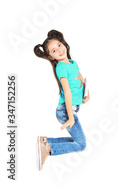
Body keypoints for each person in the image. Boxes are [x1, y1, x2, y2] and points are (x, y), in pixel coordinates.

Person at [34, 30, 90, 171]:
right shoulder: (61, 68)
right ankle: (48, 148)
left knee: (78, 141)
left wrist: (86, 94)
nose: (59, 50)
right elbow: (68, 93)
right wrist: (70, 117)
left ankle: (45, 141)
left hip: (70, 108)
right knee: (81, 144)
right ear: (50, 56)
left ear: (64, 43)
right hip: (66, 110)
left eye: (59, 45)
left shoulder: (72, 62)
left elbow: (80, 80)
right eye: (54, 50)